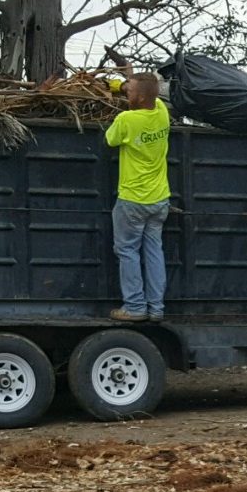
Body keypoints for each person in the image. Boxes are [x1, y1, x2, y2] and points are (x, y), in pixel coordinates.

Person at [105, 67, 171, 322]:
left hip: (133, 200)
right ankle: (156, 309)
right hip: (159, 200)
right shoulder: (162, 113)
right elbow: (144, 90)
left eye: (130, 91)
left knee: (128, 251)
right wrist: (120, 85)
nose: (127, 94)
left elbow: (110, 140)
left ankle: (134, 307)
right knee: (154, 252)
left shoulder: (126, 121)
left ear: (141, 98)